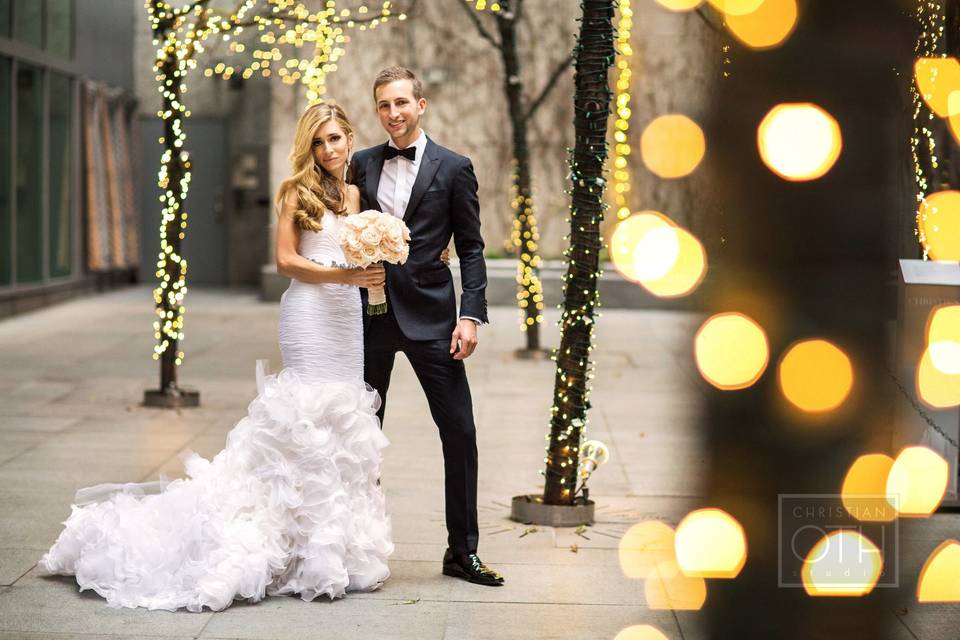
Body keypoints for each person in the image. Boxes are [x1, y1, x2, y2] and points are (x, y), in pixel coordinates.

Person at [38, 103, 395, 611]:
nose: (330, 149)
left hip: (346, 320)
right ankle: (286, 545)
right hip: (310, 315)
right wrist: (345, 276)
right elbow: (287, 261)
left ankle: (329, 548)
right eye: (319, 141)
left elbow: (352, 254)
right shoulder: (295, 190)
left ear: (349, 139)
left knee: (340, 420)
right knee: (305, 418)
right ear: (307, 147)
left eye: (336, 138)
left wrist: (373, 266)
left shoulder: (357, 194)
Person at [350, 66, 504, 587]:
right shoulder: (360, 164)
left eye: (400, 103)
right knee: (359, 436)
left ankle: (462, 552)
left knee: (459, 431)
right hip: (369, 316)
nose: (392, 114)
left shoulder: (455, 167)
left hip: (435, 318)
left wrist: (470, 314)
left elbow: (473, 247)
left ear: (421, 105)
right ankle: (356, 548)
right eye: (383, 106)